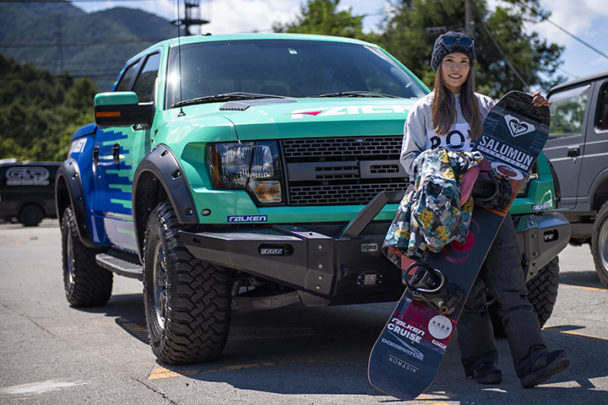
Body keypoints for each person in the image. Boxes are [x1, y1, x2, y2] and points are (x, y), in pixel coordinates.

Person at [399, 31, 570, 388]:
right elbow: (409, 159)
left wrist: (534, 106)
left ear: (471, 66)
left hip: (490, 210)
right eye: (449, 61)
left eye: (463, 62)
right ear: (438, 65)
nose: (456, 68)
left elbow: (514, 149)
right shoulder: (421, 110)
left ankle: (532, 359)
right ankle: (481, 365)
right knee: (467, 293)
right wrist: (444, 173)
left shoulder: (487, 106)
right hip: (445, 217)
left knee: (511, 286)